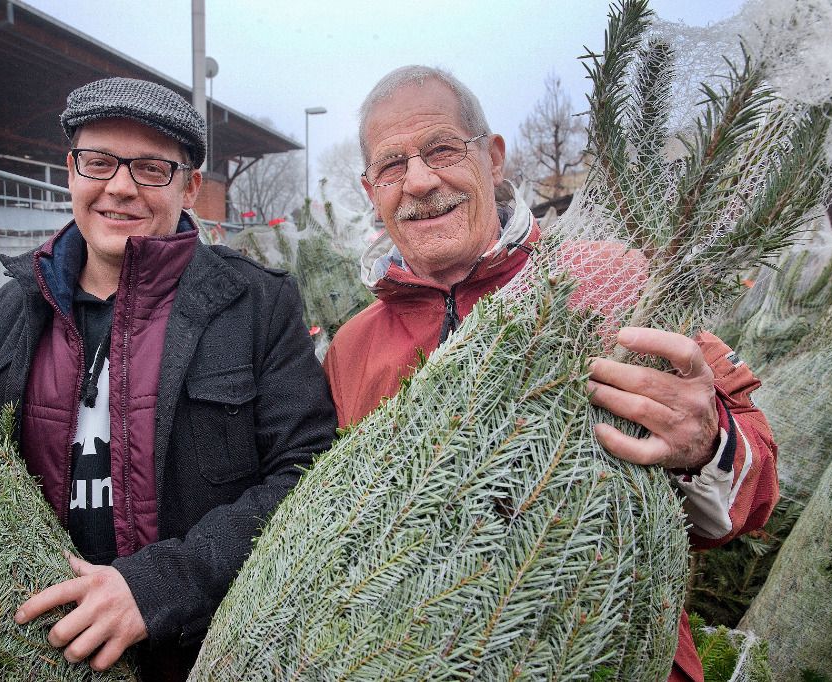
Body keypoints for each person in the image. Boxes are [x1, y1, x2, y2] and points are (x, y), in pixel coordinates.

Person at [323, 65, 778, 682]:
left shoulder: (613, 283)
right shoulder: (351, 347)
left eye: (442, 150)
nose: (421, 181)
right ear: (370, 188)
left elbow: (754, 479)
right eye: (392, 166)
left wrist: (707, 443)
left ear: (494, 157)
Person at [0, 77, 336, 680]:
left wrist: (157, 586)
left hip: (203, 657)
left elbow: (307, 475)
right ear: (70, 171)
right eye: (99, 162)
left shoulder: (254, 306)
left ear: (190, 185)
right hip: (35, 652)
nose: (119, 187)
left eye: (150, 168)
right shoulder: (11, 311)